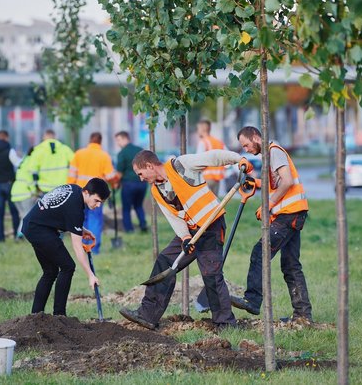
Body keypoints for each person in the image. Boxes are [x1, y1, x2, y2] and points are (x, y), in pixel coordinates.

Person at [119, 149, 253, 330]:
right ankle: (148, 315)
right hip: (190, 230)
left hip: (211, 226)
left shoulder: (181, 166)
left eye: (141, 173)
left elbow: (212, 157)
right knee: (165, 262)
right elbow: (174, 217)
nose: (140, 178)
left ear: (149, 166)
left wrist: (239, 159)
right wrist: (185, 237)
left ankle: (225, 323)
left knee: (211, 275)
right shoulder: (156, 190)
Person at [230, 126, 312, 324]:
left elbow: (287, 182)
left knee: (260, 252)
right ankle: (303, 316)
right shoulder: (269, 154)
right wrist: (256, 183)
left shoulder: (273, 151)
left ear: (256, 137)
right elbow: (275, 184)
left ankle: (252, 300)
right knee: (291, 265)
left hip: (288, 214)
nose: (246, 150)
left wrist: (268, 205)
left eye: (246, 145)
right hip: (294, 214)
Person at [22, 178, 111, 316]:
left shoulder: (75, 190)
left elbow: (60, 212)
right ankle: (59, 315)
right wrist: (90, 275)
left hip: (32, 225)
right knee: (68, 266)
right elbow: (77, 246)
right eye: (97, 200)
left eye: (102, 202)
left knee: (50, 271)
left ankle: (35, 316)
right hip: (39, 230)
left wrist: (82, 230)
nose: (98, 205)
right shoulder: (76, 208)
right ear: (87, 192)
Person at [67, 132, 117, 254]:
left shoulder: (79, 154)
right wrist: (113, 185)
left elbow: (71, 175)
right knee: (95, 220)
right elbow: (110, 176)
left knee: (80, 220)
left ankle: (81, 247)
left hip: (81, 194)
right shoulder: (104, 156)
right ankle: (93, 249)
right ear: (100, 142)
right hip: (97, 195)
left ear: (89, 140)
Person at [114, 131, 147, 233]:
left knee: (126, 208)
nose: (117, 143)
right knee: (138, 205)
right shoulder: (140, 150)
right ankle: (143, 225)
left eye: (118, 140)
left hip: (128, 184)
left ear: (125, 138)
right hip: (142, 183)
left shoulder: (122, 153)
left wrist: (115, 184)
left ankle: (129, 229)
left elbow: (119, 172)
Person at [27, 129, 74, 194]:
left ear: (44, 137)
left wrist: (35, 187)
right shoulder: (65, 149)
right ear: (55, 137)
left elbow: (32, 170)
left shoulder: (38, 150)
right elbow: (75, 164)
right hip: (62, 187)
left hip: (45, 188)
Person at [10, 146, 38, 238]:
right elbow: (30, 179)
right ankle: (20, 235)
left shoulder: (23, 161)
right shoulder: (32, 161)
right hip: (25, 192)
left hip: (15, 191)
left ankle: (20, 234)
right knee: (26, 216)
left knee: (23, 215)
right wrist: (34, 191)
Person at [196, 119, 226, 195]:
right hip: (217, 178)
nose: (198, 131)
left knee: (206, 204)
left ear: (203, 129)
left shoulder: (203, 142)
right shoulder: (218, 142)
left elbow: (199, 161)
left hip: (206, 177)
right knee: (214, 203)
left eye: (198, 129)